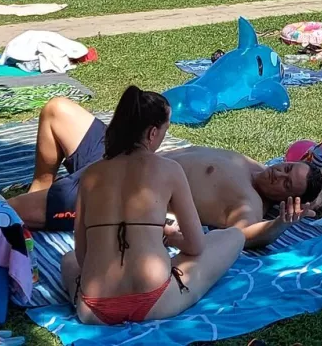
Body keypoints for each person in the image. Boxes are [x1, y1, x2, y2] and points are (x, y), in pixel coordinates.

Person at [55, 88, 245, 326]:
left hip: (94, 308)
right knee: (234, 236)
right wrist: (172, 239)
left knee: (68, 259)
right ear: (153, 132)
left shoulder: (91, 175)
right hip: (155, 302)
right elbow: (196, 245)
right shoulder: (170, 169)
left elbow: (82, 256)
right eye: (166, 129)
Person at [2, 99, 321, 240]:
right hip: (123, 152)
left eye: (286, 184)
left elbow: (245, 237)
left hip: (121, 188)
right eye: (287, 168)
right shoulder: (252, 165)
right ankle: (40, 188)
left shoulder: (248, 205)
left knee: (4, 212)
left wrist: (280, 225)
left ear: (285, 201)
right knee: (57, 109)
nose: (279, 174)